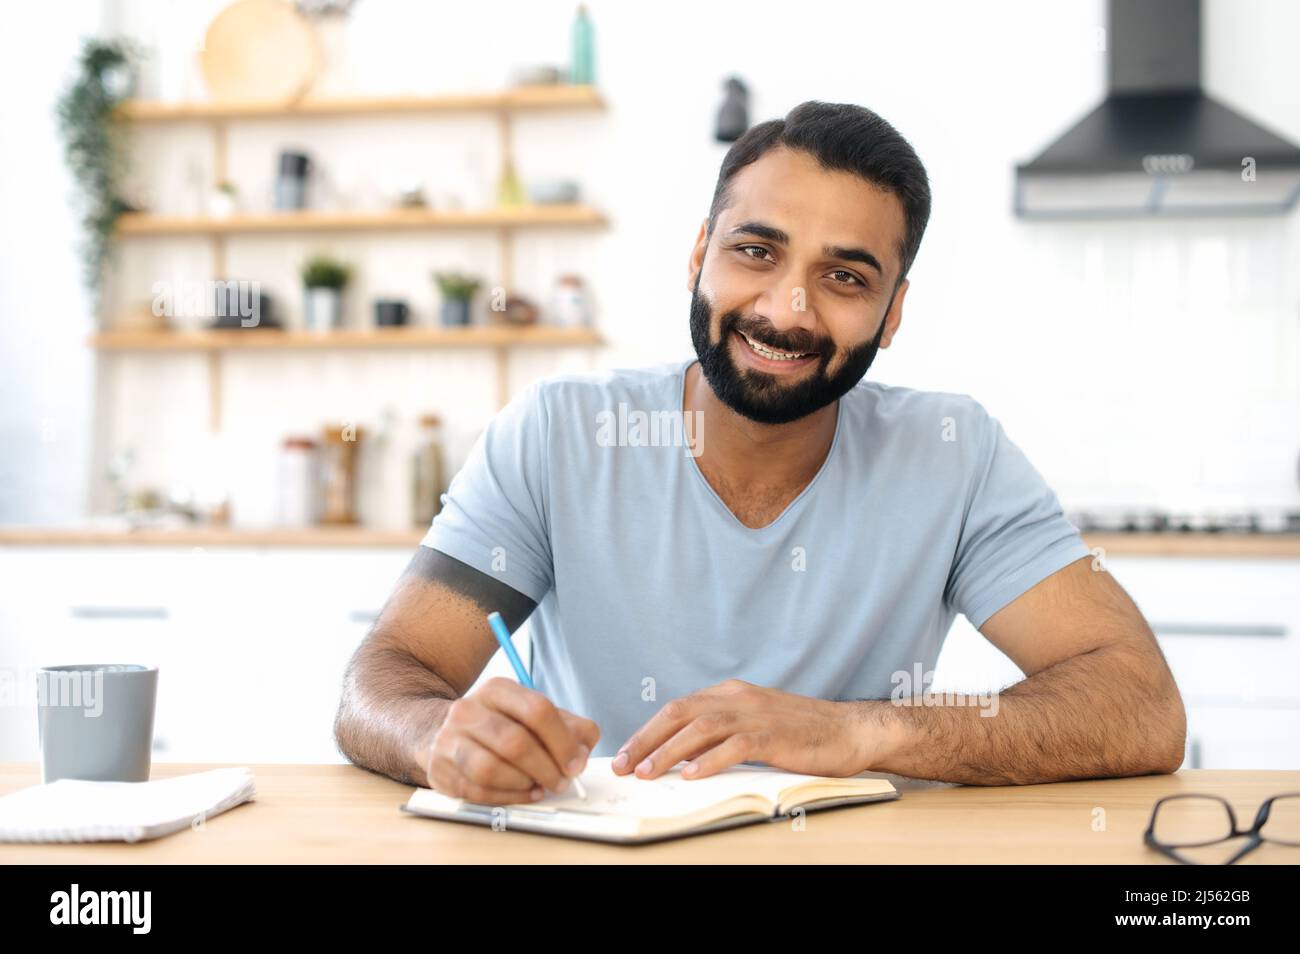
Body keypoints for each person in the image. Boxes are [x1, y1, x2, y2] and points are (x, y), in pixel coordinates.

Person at [335, 101, 1185, 804]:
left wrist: (855, 728)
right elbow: (386, 677)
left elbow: (1142, 707)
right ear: (701, 253)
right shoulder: (558, 433)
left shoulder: (951, 454)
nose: (788, 308)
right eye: (756, 251)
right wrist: (439, 738)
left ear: (893, 314)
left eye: (846, 277)